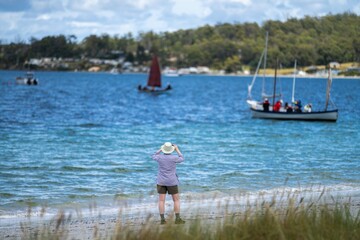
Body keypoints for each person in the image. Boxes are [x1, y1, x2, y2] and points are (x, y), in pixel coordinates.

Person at [152, 142, 185, 224]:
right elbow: (182, 158)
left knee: (161, 201)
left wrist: (160, 149)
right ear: (171, 150)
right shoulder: (174, 158)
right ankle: (177, 219)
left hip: (161, 181)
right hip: (172, 181)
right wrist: (177, 149)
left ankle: (162, 220)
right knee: (176, 200)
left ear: (164, 149)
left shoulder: (159, 157)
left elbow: (153, 155)